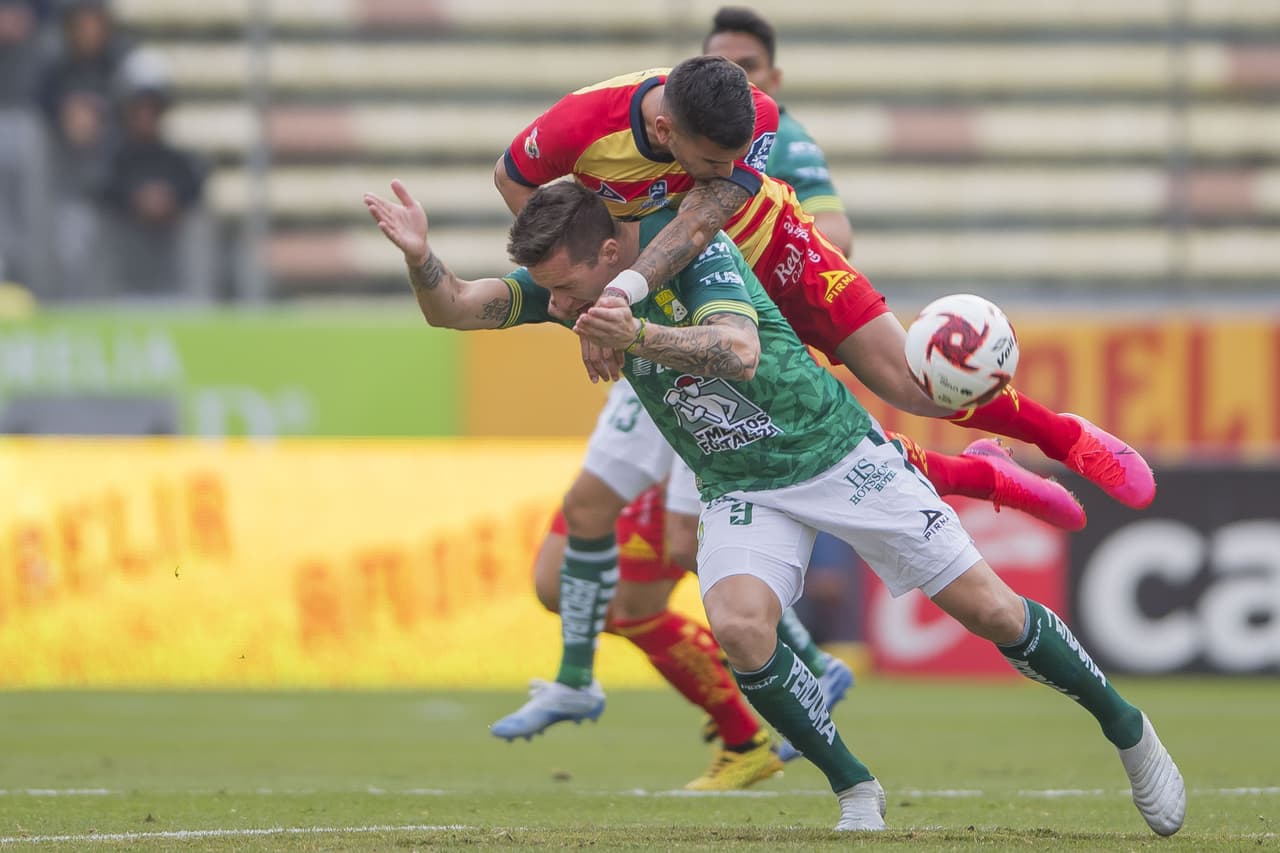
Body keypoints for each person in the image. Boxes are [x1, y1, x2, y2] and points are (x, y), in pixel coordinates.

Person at [362, 177, 1186, 835]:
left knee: (995, 612)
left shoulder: (694, 254)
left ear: (612, 249)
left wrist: (633, 335)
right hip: (740, 484)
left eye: (569, 289)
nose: (563, 308)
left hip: (835, 454)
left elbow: (736, 347)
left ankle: (1128, 728)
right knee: (742, 626)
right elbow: (458, 307)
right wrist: (419, 258)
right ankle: (855, 786)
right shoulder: (567, 290)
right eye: (554, 296)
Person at [489, 56, 1129, 741]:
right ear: (666, 126)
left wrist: (616, 293)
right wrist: (587, 286)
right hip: (668, 314)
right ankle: (618, 681)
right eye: (706, 157)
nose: (718, 169)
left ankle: (1056, 438)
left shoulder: (756, 118)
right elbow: (512, 180)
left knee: (915, 384)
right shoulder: (583, 124)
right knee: (654, 535)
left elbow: (709, 216)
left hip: (766, 265)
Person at [703, 5, 852, 257]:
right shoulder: (678, 132)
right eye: (720, 66)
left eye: (748, 66)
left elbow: (836, 237)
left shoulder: (784, 140)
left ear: (774, 79)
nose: (734, 77)